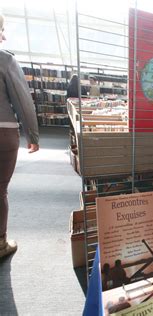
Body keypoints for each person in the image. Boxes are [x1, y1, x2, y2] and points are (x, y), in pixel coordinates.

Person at [0, 14, 40, 259]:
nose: (3, 35)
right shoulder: (5, 60)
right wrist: (32, 134)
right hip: (3, 132)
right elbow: (23, 101)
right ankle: (0, 242)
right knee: (0, 190)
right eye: (1, 29)